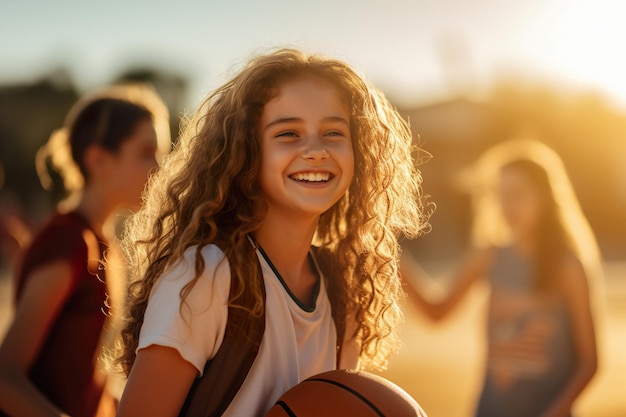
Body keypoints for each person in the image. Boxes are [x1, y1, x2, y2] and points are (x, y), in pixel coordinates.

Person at [114, 48, 427, 417]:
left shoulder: (342, 289)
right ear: (247, 150)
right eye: (288, 133)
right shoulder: (206, 275)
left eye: (333, 132)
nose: (315, 150)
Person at [0, 84, 170, 417]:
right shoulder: (69, 244)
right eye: (147, 152)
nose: (159, 168)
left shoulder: (105, 246)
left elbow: (88, 376)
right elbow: (5, 376)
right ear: (99, 160)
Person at [401, 139, 600, 417]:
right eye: (500, 195)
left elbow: (589, 362)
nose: (508, 205)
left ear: (545, 197)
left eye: (518, 194)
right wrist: (394, 259)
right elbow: (437, 313)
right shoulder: (488, 256)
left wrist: (554, 412)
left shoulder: (567, 267)